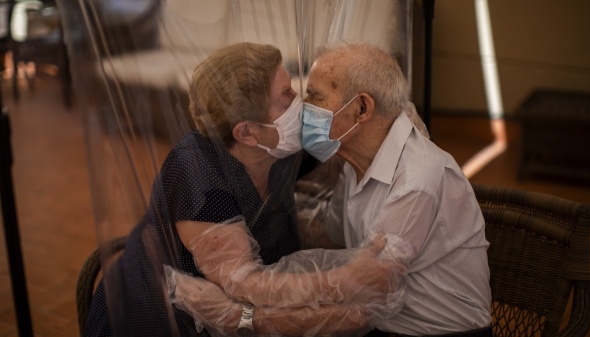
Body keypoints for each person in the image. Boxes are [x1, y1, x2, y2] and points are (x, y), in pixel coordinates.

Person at [86, 42, 403, 337]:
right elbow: (246, 288)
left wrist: (394, 116)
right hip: (159, 320)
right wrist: (345, 283)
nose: (300, 104)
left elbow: (348, 131)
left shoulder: (277, 147)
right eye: (285, 96)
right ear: (247, 132)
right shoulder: (197, 175)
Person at [299, 42, 493, 336]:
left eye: (316, 96)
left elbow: (363, 287)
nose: (304, 106)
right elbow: (333, 236)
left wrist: (249, 304)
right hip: (382, 324)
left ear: (362, 108)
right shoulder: (354, 162)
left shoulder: (416, 179)